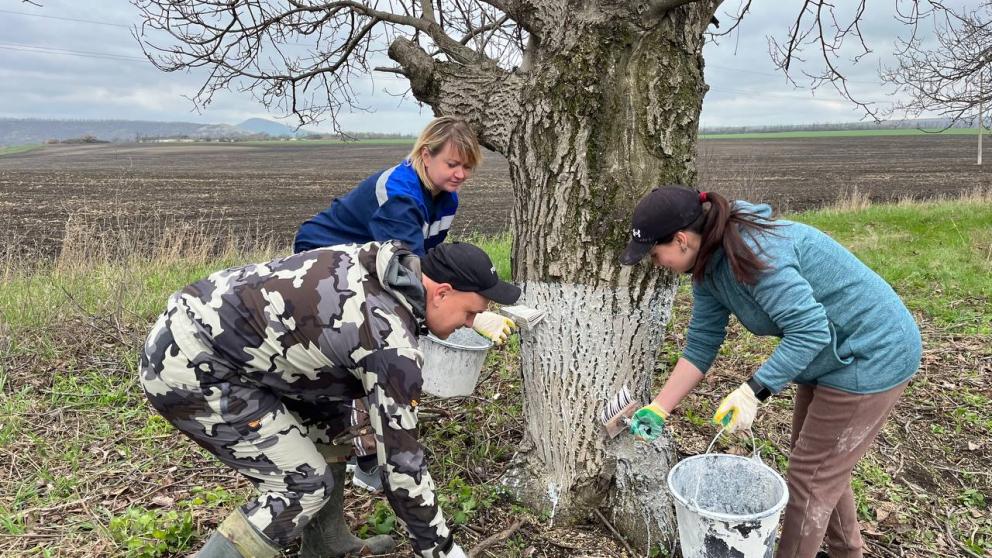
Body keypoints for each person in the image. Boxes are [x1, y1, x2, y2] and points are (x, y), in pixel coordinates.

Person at [139, 240, 520, 558]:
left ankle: (326, 544)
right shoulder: (389, 341)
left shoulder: (387, 264)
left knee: (334, 423)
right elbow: (402, 464)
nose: (469, 325)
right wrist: (441, 549)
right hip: (190, 363)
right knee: (301, 484)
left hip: (218, 338)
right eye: (471, 313)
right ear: (442, 292)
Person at [620, 186, 922, 558]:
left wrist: (753, 391)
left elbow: (811, 330)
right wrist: (660, 408)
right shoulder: (709, 266)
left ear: (681, 239)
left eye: (654, 253)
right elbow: (700, 344)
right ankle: (848, 552)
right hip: (829, 357)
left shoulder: (757, 252)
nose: (655, 262)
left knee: (810, 477)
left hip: (873, 352)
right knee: (816, 467)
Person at [293, 115, 514, 492]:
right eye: (452, 164)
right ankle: (364, 460)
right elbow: (407, 274)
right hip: (324, 259)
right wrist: (473, 318)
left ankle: (371, 440)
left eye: (467, 167)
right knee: (363, 348)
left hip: (372, 259)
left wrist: (460, 301)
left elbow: (428, 261)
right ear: (426, 155)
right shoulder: (401, 196)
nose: (460, 174)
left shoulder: (446, 197)